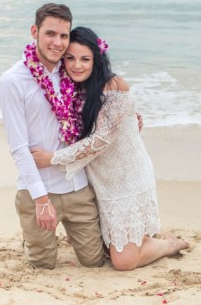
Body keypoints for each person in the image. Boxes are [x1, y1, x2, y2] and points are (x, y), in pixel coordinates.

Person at [31, 27, 189, 271]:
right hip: (99, 180)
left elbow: (102, 139)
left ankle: (168, 245)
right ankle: (144, 241)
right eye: (70, 58)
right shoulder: (70, 89)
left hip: (127, 179)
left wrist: (53, 158)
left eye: (85, 59)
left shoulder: (114, 87)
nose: (77, 66)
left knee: (123, 262)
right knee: (103, 248)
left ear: (97, 58)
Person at [0, 3, 105, 270]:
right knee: (42, 264)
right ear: (35, 31)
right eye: (50, 34)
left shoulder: (72, 70)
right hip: (39, 191)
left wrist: (128, 119)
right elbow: (19, 148)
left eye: (64, 36)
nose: (58, 43)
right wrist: (41, 200)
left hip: (77, 186)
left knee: (93, 261)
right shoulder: (13, 81)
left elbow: (101, 100)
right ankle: (32, 237)